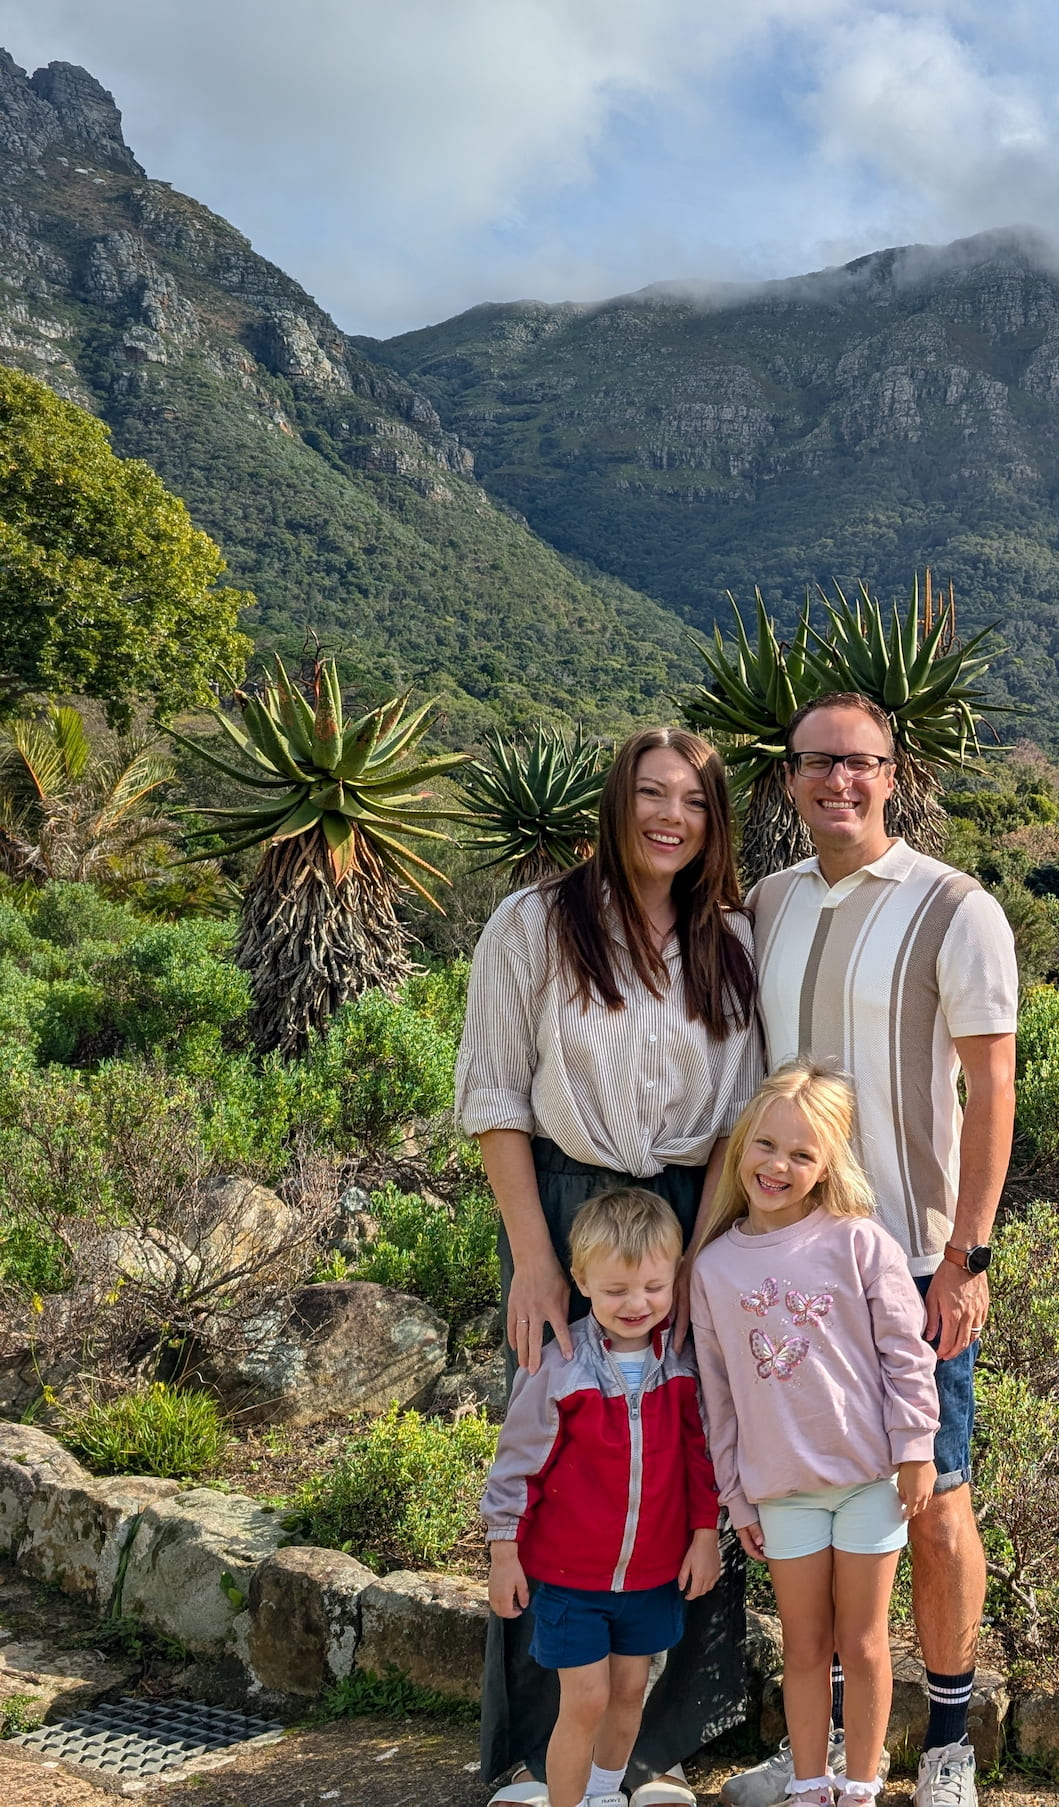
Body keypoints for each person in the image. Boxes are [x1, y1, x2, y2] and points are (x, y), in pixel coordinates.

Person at [456, 725, 762, 1806]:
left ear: (715, 822)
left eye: (695, 800)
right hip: (567, 1213)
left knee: (685, 1447)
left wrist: (710, 1261)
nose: (671, 816)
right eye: (652, 793)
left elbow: (737, 1122)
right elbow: (496, 1097)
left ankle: (654, 1750)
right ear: (616, 800)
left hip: (686, 1220)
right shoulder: (534, 923)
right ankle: (534, 1756)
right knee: (562, 1455)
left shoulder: (731, 939)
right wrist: (534, 1259)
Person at [723, 692, 1016, 1807]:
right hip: (787, 1266)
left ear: (894, 774)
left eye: (860, 763)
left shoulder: (956, 908)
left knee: (934, 1499)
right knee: (805, 1501)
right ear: (790, 778)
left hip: (913, 1266)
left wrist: (969, 1256)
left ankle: (947, 1744)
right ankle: (827, 1754)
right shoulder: (768, 903)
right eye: (817, 762)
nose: (837, 781)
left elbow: (993, 1086)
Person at [689, 1062, 940, 1807]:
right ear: (741, 1145)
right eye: (766, 1145)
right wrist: (737, 1496)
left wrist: (916, 1448)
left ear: (828, 1163)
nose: (778, 1165)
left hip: (869, 1483)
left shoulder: (860, 1242)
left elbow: (905, 1353)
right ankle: (808, 1783)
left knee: (862, 1642)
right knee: (803, 1645)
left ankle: (859, 1785)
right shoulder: (714, 1268)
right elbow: (718, 1398)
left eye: (802, 1154)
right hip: (784, 1493)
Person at [482, 1189, 722, 1807]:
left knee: (629, 1693)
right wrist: (504, 1551)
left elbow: (702, 1461)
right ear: (581, 1281)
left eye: (653, 1287)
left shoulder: (684, 1365)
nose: (636, 1304)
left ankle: (604, 1792)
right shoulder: (558, 1367)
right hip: (572, 1582)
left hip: (653, 1577)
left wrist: (705, 1536)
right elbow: (517, 1466)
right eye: (616, 1290)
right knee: (585, 1699)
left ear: (676, 1277)